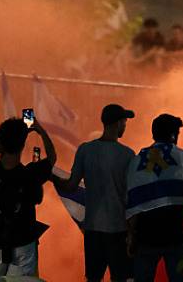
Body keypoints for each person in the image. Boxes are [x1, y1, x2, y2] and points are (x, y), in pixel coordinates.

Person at [54, 104, 136, 282]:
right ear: (117, 123)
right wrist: (132, 233)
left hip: (92, 229)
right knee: (121, 277)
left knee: (93, 278)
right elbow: (131, 198)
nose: (125, 126)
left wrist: (51, 176)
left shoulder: (85, 150)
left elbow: (71, 186)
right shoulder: (128, 155)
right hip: (118, 229)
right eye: (124, 122)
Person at [0, 118, 56, 278]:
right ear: (22, 145)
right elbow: (51, 158)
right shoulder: (30, 174)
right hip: (24, 241)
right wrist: (41, 131)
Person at [126, 114, 183, 282]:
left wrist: (131, 236)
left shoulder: (137, 161)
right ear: (173, 135)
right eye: (177, 133)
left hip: (146, 235)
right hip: (175, 233)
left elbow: (134, 202)